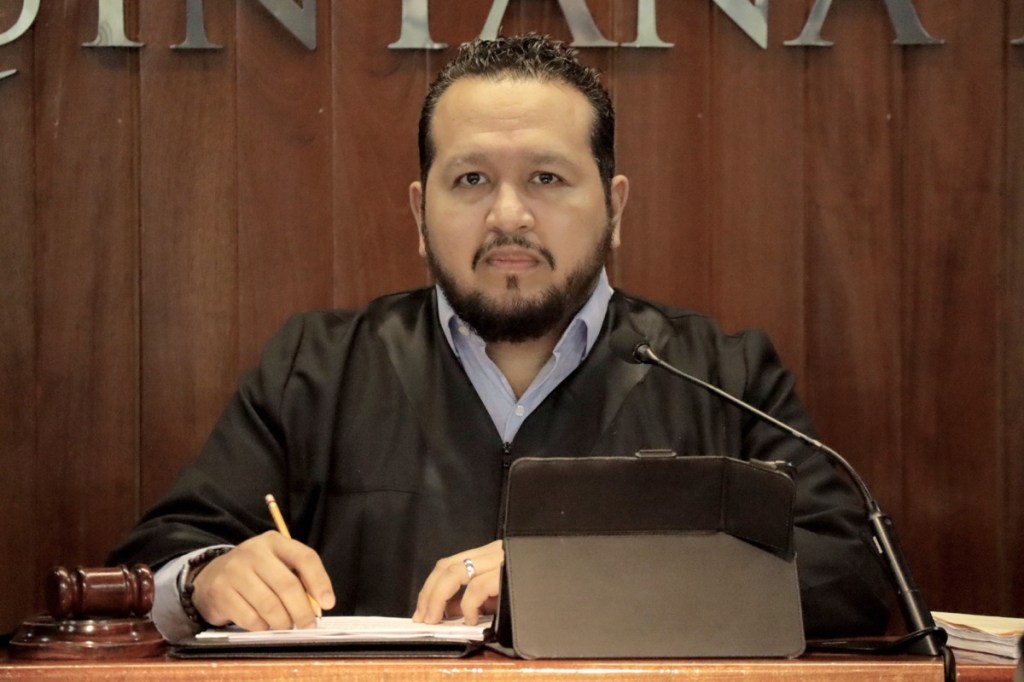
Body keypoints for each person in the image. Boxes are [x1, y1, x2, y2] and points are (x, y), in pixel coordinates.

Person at [108, 34, 891, 643]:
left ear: (615, 207)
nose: (509, 215)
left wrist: (575, 573)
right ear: (420, 213)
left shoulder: (720, 374)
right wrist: (207, 577)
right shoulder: (318, 367)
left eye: (547, 178)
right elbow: (157, 556)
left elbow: (851, 575)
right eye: (471, 180)